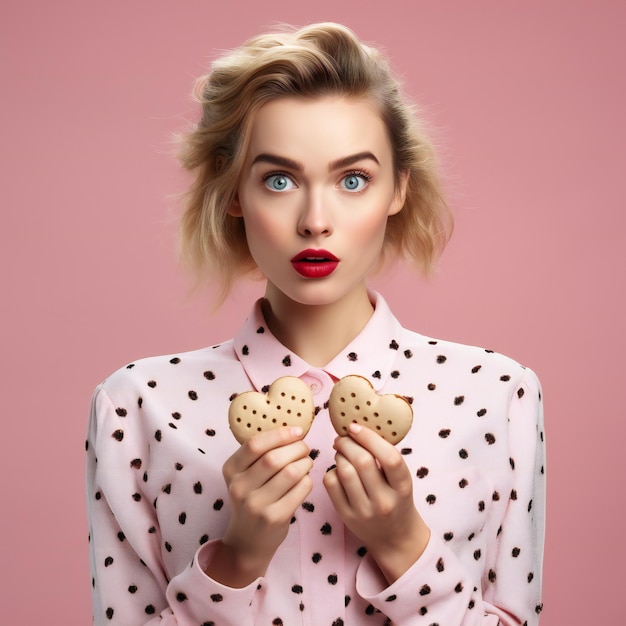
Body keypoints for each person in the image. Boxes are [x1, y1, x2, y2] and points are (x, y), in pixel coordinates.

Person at [86, 22, 545, 626]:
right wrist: (235, 561)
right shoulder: (137, 405)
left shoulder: (498, 394)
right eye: (279, 180)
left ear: (398, 190)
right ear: (234, 194)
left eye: (353, 180)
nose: (315, 220)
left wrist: (406, 549)